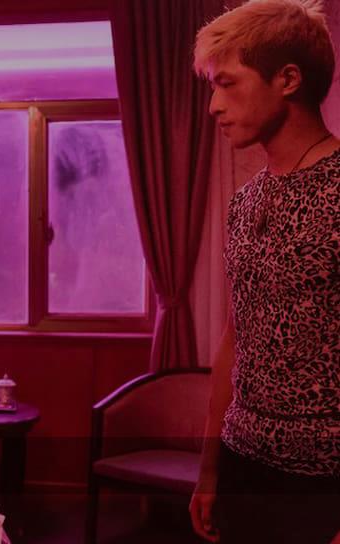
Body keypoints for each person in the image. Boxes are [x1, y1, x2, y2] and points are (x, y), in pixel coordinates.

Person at [189, 1, 340, 542]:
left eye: (227, 84)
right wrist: (209, 470)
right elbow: (237, 335)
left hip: (323, 482)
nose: (214, 105)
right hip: (242, 464)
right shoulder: (246, 201)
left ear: (288, 80)